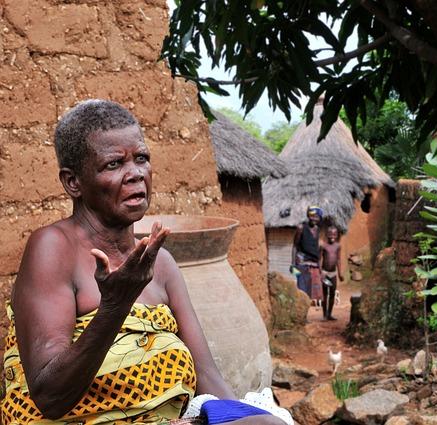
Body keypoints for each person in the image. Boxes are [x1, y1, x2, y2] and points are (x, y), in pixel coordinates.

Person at [2, 99, 285, 425]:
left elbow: (207, 375)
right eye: (113, 164)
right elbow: (49, 395)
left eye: (142, 159)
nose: (135, 174)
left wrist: (232, 417)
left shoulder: (161, 264)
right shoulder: (53, 248)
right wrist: (114, 307)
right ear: (73, 182)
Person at [290, 206, 322, 303]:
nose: (314, 219)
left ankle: (305, 315)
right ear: (308, 216)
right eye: (312, 216)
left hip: (313, 264)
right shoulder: (301, 228)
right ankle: (300, 315)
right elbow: (295, 246)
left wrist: (319, 265)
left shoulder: (317, 229)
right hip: (301, 264)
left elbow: (315, 247)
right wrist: (293, 265)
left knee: (310, 292)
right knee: (302, 290)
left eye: (317, 217)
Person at [318, 226, 343, 321]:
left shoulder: (338, 246)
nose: (332, 236)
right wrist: (320, 272)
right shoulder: (323, 246)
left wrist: (340, 273)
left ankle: (330, 314)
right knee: (324, 294)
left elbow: (338, 259)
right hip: (325, 273)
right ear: (327, 235)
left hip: (333, 274)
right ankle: (324, 315)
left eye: (334, 234)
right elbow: (319, 259)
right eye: (330, 234)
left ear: (337, 235)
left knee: (332, 294)